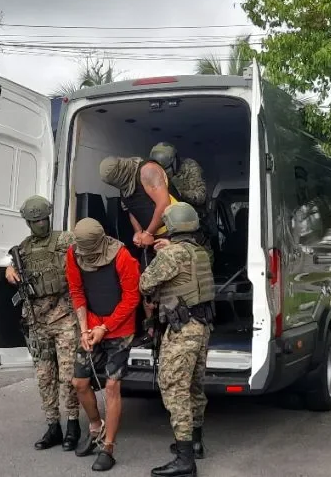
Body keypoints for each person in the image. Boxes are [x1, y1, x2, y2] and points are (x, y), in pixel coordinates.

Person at [139, 202, 215, 477]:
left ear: (171, 226)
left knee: (174, 387)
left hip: (182, 328)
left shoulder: (171, 255)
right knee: (194, 385)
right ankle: (194, 443)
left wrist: (162, 254)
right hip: (202, 325)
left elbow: (145, 284)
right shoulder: (200, 252)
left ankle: (185, 461)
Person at [4, 195, 81, 452]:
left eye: (43, 219)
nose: (41, 224)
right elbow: (12, 267)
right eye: (35, 220)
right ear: (28, 222)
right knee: (44, 376)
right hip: (37, 321)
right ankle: (52, 425)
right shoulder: (23, 249)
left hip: (65, 317)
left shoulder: (66, 240)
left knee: (69, 375)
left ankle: (72, 424)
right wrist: (9, 270)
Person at [66, 218, 141, 472]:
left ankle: (108, 448)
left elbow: (132, 298)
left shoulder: (123, 257)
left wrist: (105, 328)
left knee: (111, 386)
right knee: (79, 382)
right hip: (92, 325)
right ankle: (96, 427)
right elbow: (76, 290)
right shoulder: (73, 254)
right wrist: (85, 329)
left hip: (120, 329)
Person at [99, 156, 178, 344]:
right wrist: (139, 233)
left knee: (170, 284)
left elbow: (164, 204)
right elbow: (132, 210)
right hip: (150, 236)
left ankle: (172, 329)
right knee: (146, 285)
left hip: (172, 232)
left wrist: (149, 233)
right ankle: (151, 331)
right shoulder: (123, 183)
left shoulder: (147, 171)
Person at [150, 142, 213, 265]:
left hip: (194, 222)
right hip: (171, 224)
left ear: (174, 162)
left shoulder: (190, 167)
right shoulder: (152, 171)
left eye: (166, 170)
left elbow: (201, 196)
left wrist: (179, 193)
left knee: (201, 258)